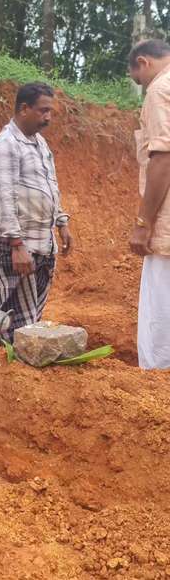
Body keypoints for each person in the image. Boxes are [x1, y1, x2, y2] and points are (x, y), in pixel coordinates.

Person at [0, 82, 73, 341]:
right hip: (14, 248)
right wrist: (16, 243)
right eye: (43, 111)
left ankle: (23, 378)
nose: (48, 117)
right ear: (24, 109)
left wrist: (61, 222)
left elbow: (50, 185)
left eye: (50, 112)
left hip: (42, 247)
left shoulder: (40, 144)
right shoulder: (5, 145)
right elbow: (3, 197)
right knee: (15, 329)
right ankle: (9, 379)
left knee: (31, 322)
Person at [129, 39, 170, 369]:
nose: (141, 87)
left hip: (167, 227)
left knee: (160, 315)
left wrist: (144, 224)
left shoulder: (160, 89)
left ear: (143, 62)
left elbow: (163, 159)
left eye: (137, 80)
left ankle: (156, 388)